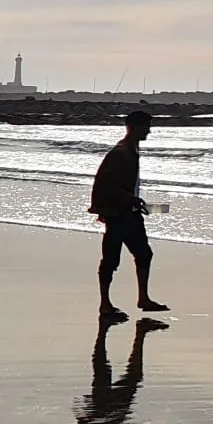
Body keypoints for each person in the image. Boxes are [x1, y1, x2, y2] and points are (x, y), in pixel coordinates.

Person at [89, 110, 167, 320]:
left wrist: (134, 201)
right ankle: (105, 305)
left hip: (129, 213)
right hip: (118, 214)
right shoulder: (121, 152)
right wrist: (128, 199)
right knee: (111, 261)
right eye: (146, 127)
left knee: (144, 254)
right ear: (134, 127)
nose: (149, 131)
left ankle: (143, 299)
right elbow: (104, 183)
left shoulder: (131, 150)